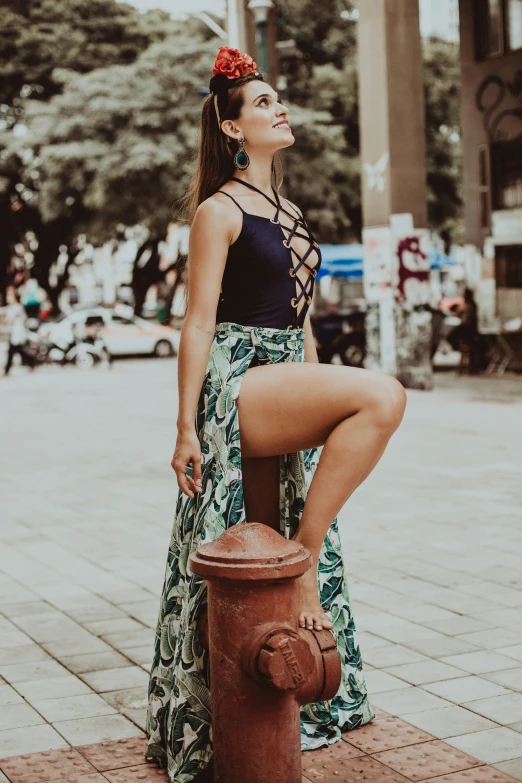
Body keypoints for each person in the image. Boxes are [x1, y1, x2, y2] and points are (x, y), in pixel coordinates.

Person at [145, 47, 407, 783]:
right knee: (382, 395)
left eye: (274, 99)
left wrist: (315, 385)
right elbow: (198, 323)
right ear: (232, 128)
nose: (277, 108)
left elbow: (305, 325)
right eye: (261, 104)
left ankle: (267, 680)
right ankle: (306, 559)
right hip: (237, 381)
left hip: (286, 369)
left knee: (249, 546)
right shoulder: (217, 210)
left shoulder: (288, 210)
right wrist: (186, 425)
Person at [2, 286, 35, 376]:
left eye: (10, 295)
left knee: (14, 351)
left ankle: (6, 370)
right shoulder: (10, 308)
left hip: (17, 333)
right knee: (19, 350)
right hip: (14, 333)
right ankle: (31, 363)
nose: (7, 297)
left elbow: (11, 319)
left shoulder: (17, 307)